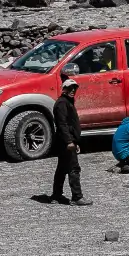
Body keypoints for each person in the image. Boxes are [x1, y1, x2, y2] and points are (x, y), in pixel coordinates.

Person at [49, 75, 90, 206]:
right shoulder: (62, 104)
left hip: (67, 141)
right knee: (74, 168)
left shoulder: (67, 102)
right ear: (64, 89)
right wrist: (69, 142)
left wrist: (74, 141)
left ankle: (56, 196)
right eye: (70, 88)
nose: (73, 90)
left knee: (62, 168)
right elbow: (62, 124)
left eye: (74, 88)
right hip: (65, 142)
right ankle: (77, 197)